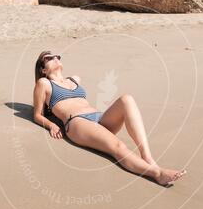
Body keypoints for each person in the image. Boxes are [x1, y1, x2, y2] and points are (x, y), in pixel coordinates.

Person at [33, 50, 187, 187]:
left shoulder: (74, 79)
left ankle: (146, 155)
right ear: (43, 69)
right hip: (78, 122)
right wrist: (51, 125)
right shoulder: (44, 83)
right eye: (49, 58)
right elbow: (37, 114)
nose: (55, 58)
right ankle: (157, 173)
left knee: (126, 99)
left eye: (57, 56)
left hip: (99, 118)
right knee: (118, 147)